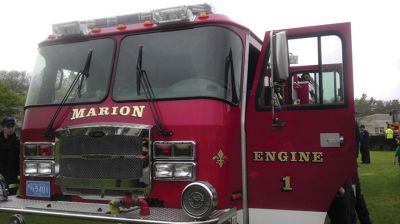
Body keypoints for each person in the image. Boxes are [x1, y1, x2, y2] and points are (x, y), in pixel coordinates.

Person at [0, 117, 20, 195]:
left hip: (12, 177)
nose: (11, 129)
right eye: (8, 127)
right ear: (2, 127)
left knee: (11, 196)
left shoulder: (17, 142)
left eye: (12, 126)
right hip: (1, 175)